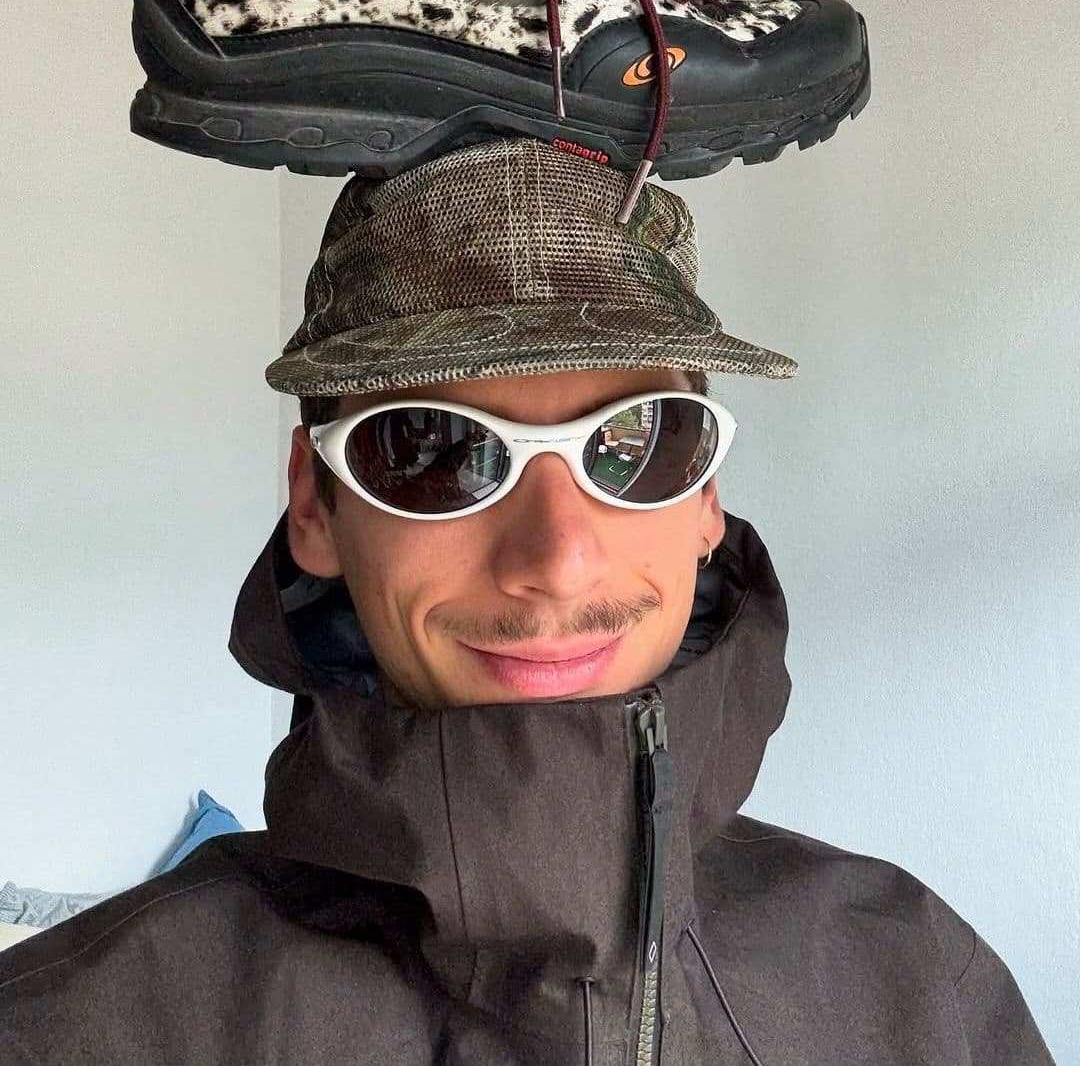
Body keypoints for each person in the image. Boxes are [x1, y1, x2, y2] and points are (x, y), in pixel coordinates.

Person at [0, 138, 1056, 1063]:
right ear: (315, 507)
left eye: (636, 444)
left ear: (705, 499)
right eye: (433, 449)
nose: (557, 559)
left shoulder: (920, 988)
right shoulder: (84, 1030)